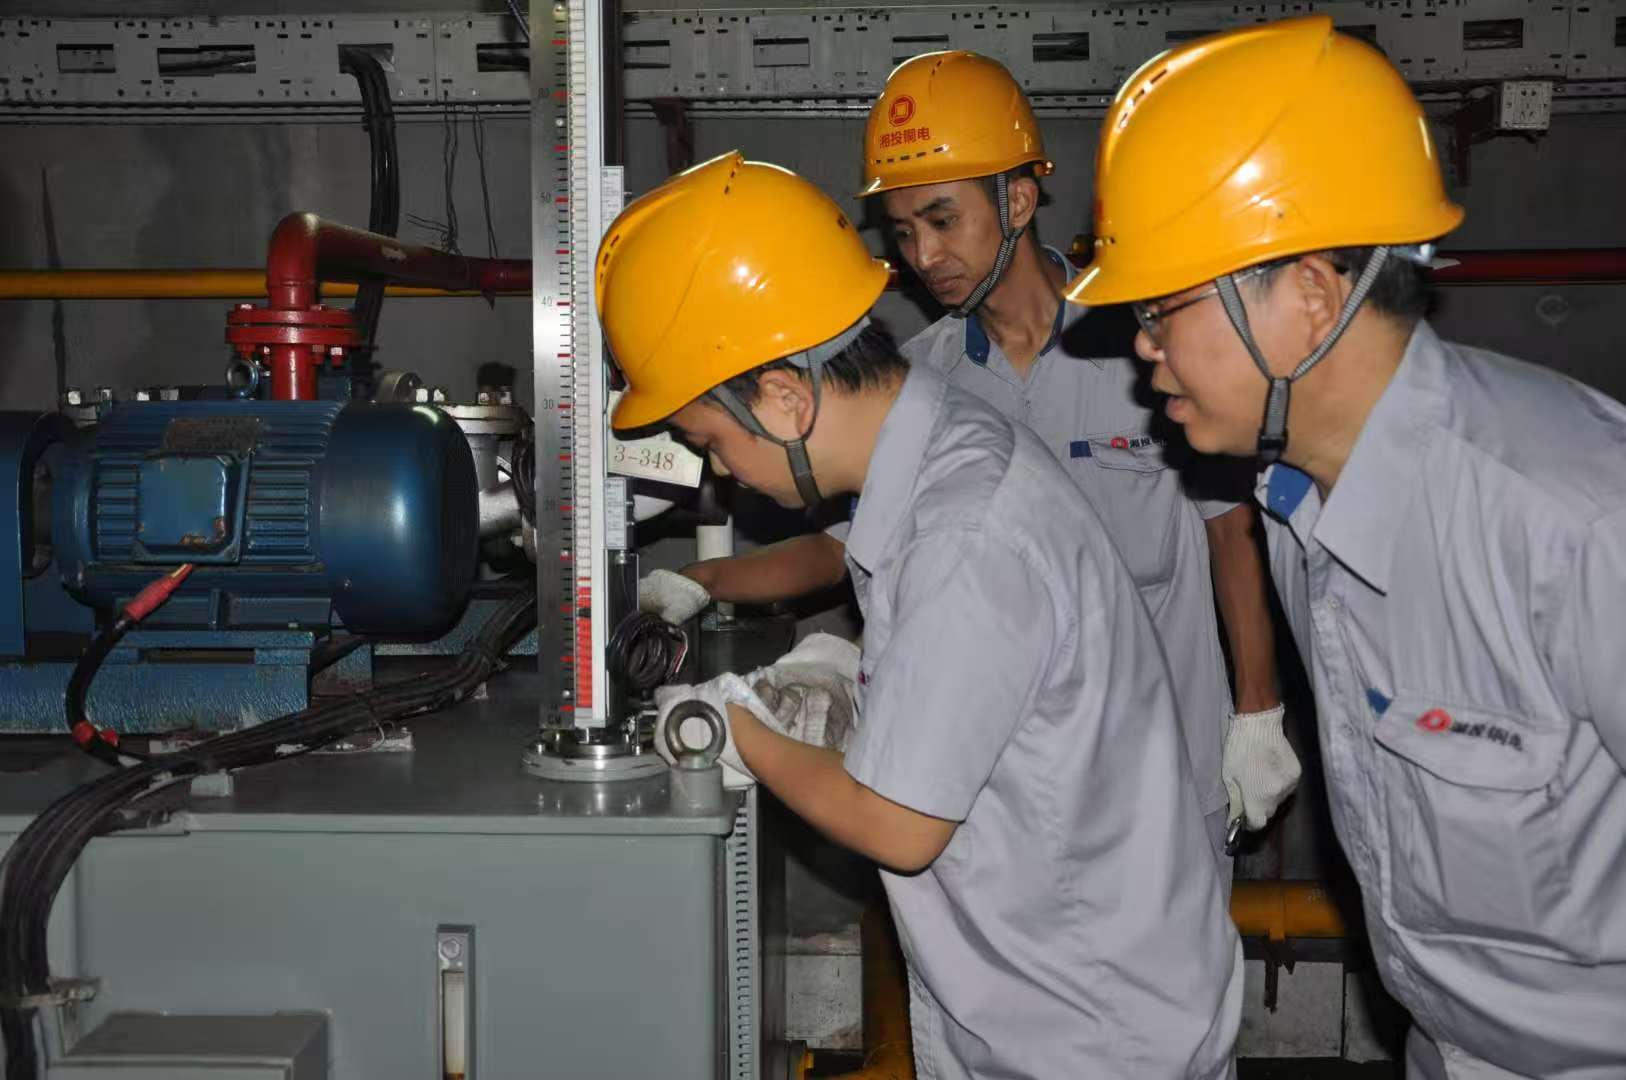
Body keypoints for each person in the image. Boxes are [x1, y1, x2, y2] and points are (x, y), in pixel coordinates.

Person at [603, 150, 1241, 1078]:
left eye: (712, 439)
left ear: (783, 396)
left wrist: (732, 728)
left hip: (1086, 1029)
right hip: (1059, 985)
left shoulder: (964, 531)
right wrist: (847, 690)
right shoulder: (945, 446)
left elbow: (899, 826)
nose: (721, 471)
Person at [1072, 15, 1626, 1076]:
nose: (1142, 346)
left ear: (1313, 296)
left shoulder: (1576, 522)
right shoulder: (1298, 510)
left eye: (1163, 307)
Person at [643, 52, 1298, 882]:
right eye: (903, 230)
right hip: (1003, 790)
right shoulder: (920, 380)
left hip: (1165, 768)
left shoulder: (1146, 351)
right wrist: (702, 583)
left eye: (943, 219)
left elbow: (1231, 534)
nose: (925, 253)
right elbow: (841, 549)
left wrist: (1257, 712)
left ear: (1016, 201)